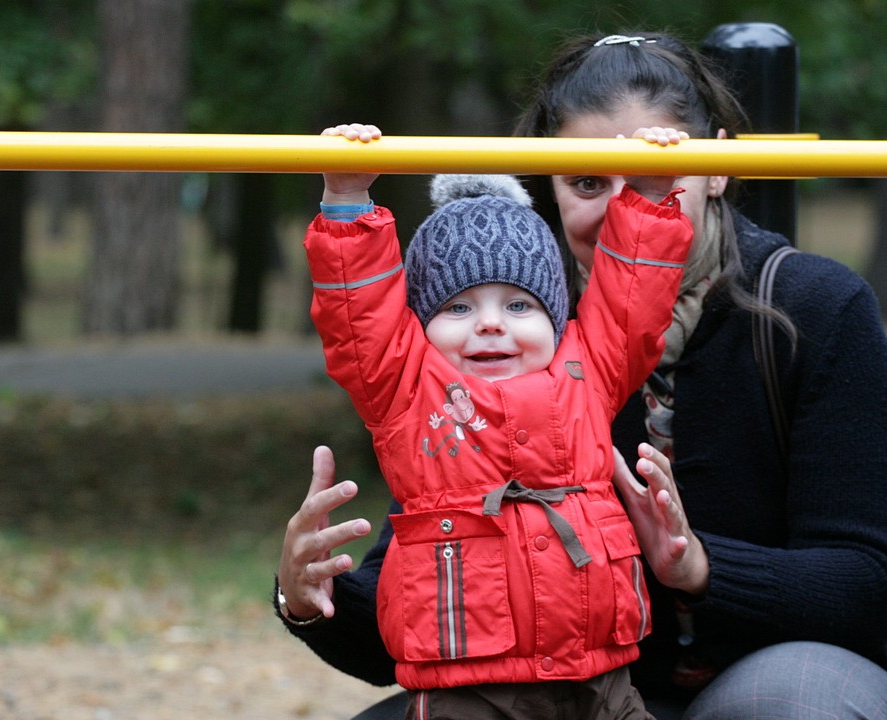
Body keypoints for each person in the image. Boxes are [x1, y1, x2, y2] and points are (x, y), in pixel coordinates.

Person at [276, 31, 887, 720]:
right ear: (549, 184)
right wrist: (309, 595)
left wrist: (696, 566)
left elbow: (864, 589)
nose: (619, 207)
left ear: (717, 168)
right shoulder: (515, 335)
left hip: (786, 669)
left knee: (778, 706)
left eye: (647, 180)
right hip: (571, 685)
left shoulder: (813, 309)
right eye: (587, 181)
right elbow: (424, 601)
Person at [291, 117, 695, 719]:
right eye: (458, 307)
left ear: (556, 319)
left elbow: (633, 299)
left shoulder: (589, 371)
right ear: (420, 326)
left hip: (599, 681)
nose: (489, 324)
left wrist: (652, 193)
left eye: (518, 305)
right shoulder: (404, 386)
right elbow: (358, 313)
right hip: (469, 689)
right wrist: (347, 198)